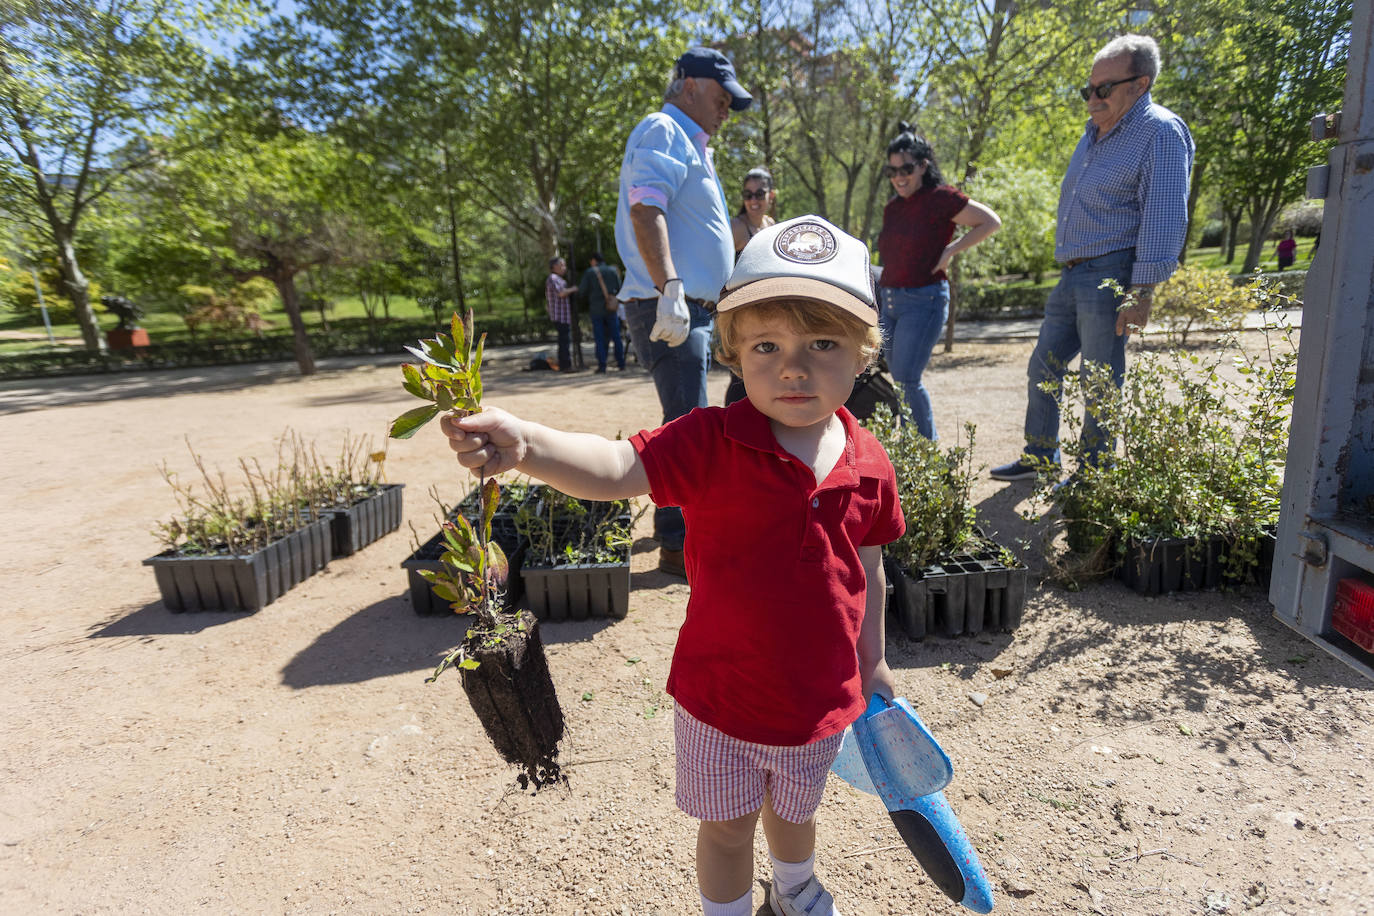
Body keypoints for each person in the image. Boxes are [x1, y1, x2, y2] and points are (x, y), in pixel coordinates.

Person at [440, 215, 904, 916]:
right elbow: (618, 465)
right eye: (768, 345)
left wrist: (873, 664)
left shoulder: (870, 463)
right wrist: (527, 444)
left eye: (824, 343)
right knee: (724, 829)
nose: (793, 367)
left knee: (797, 813)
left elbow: (868, 571)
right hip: (720, 701)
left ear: (864, 353)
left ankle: (797, 888)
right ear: (734, 352)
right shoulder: (710, 442)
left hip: (819, 703)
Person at [990, 33, 1194, 482]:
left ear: (1139, 85)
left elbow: (1164, 214)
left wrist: (1141, 290)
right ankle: (1041, 457)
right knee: (1044, 366)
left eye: (1103, 89)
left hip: (1112, 273)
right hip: (1073, 273)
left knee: (1100, 380)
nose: (1092, 99)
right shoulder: (1094, 134)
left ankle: (1094, 474)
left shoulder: (1160, 131)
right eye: (1089, 89)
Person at [615, 46, 751, 577]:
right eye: (721, 97)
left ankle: (682, 536)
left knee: (690, 423)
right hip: (669, 304)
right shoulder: (663, 129)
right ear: (689, 85)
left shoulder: (690, 140)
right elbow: (646, 207)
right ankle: (679, 545)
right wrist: (669, 282)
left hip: (690, 306)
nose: (726, 109)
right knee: (686, 429)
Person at [876, 127, 1001, 439]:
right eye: (892, 170)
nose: (898, 177)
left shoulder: (941, 198)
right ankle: (909, 450)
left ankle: (923, 454)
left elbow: (990, 221)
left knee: (907, 378)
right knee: (899, 379)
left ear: (923, 165)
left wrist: (951, 250)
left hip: (923, 300)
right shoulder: (892, 207)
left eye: (906, 168)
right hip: (889, 303)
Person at [723, 166, 777, 407]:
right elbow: (720, 270)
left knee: (767, 372)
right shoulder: (736, 227)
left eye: (759, 194)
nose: (753, 200)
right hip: (741, 313)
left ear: (771, 195)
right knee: (741, 374)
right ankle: (730, 426)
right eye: (748, 195)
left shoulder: (771, 225)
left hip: (769, 312)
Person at [577, 252, 625, 372]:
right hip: (611, 308)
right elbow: (620, 289)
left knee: (599, 337)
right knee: (616, 336)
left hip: (596, 309)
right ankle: (621, 362)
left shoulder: (590, 272)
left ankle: (602, 365)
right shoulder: (613, 271)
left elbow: (582, 291)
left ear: (593, 260)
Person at [544, 257, 578, 373]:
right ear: (554, 267)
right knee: (564, 342)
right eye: (562, 265)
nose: (564, 268)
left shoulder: (558, 279)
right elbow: (561, 293)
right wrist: (573, 289)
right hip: (560, 316)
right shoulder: (553, 278)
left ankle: (564, 364)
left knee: (564, 341)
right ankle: (565, 366)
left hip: (563, 315)